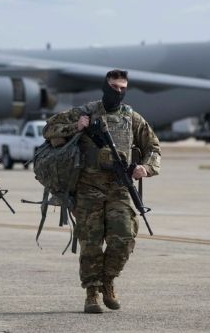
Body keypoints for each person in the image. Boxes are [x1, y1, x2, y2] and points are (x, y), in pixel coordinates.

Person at [42, 70, 161, 313]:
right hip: (88, 188)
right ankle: (92, 293)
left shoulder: (132, 118)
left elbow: (153, 147)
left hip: (119, 188)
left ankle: (108, 280)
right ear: (105, 87)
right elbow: (49, 129)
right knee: (91, 243)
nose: (118, 92)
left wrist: (146, 168)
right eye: (114, 87)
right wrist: (76, 126)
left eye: (122, 88)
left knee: (125, 237)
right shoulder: (85, 111)